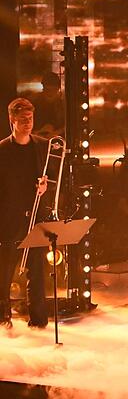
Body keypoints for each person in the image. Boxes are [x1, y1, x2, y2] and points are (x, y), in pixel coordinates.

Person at [0, 98, 50, 329]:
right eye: (22, 119)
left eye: (30, 118)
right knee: (4, 271)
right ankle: (3, 319)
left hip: (35, 216)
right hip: (8, 218)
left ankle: (38, 321)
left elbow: (50, 177)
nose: (28, 123)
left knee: (37, 271)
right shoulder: (2, 149)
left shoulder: (42, 145)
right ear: (12, 119)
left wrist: (45, 186)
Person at [31, 71, 65, 138]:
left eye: (53, 90)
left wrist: (57, 132)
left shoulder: (63, 105)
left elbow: (69, 124)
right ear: (43, 88)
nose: (50, 93)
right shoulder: (33, 103)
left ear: (58, 89)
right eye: (48, 90)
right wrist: (36, 133)